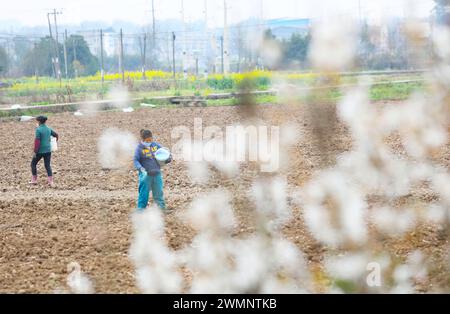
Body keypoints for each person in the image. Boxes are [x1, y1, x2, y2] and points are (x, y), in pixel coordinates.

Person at [133, 129, 172, 212]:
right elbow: (136, 160)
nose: (150, 141)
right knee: (144, 193)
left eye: (151, 139)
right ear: (143, 140)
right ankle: (140, 210)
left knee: (158, 192)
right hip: (145, 175)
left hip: (157, 173)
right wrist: (140, 168)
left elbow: (164, 152)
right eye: (147, 140)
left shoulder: (155, 145)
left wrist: (168, 158)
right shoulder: (139, 148)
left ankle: (161, 208)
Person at [30, 116, 59, 186]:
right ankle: (50, 181)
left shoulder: (38, 130)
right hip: (48, 150)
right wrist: (54, 142)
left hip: (40, 151)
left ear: (39, 122)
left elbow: (37, 141)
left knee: (33, 164)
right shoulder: (48, 129)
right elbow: (56, 135)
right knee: (47, 165)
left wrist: (35, 151)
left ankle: (34, 180)